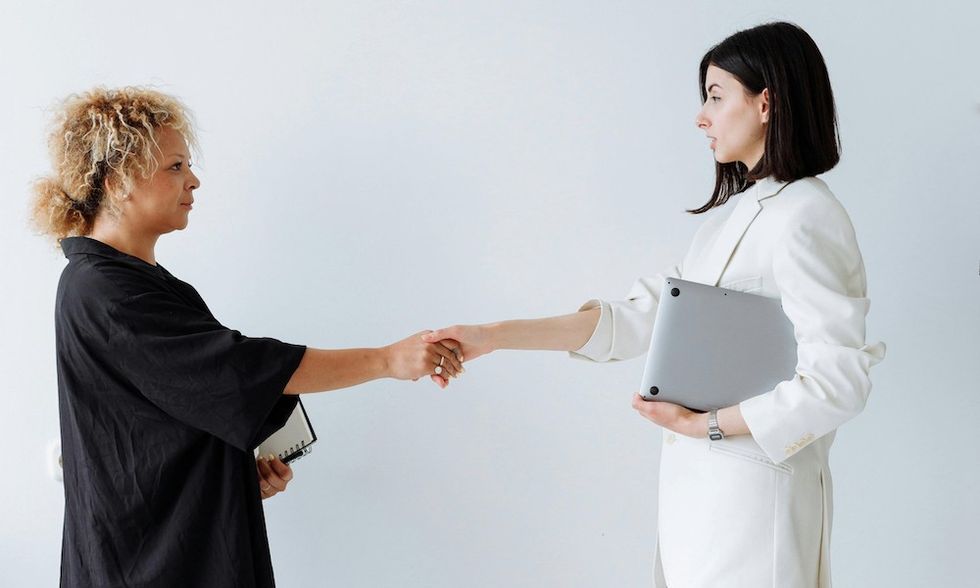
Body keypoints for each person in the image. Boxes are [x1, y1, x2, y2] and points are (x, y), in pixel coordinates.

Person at [423, 22, 886, 587]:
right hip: (703, 514)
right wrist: (493, 335)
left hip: (757, 514)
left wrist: (711, 425)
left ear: (766, 103)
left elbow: (839, 380)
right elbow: (635, 319)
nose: (701, 116)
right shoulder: (732, 221)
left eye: (716, 96)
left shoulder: (808, 214)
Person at [31, 87, 462, 587]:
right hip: (146, 569)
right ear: (121, 176)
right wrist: (388, 360)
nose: (193, 180)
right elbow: (236, 373)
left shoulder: (132, 284)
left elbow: (183, 408)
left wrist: (233, 472)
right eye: (174, 166)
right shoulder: (105, 291)